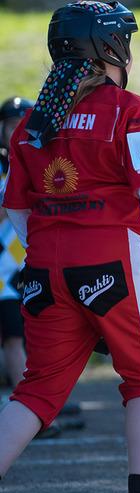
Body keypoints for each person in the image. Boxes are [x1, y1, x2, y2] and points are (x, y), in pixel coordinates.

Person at [0, 1, 140, 493]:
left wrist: (47, 246)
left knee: (36, 391)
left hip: (43, 263)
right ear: (110, 50)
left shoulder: (31, 124)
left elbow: (15, 206)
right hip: (111, 256)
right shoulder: (130, 110)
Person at [0, 97, 32, 390]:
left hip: (25, 272)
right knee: (12, 337)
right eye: (11, 126)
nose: (16, 132)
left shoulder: (37, 162)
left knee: (24, 337)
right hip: (3, 277)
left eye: (23, 126)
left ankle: (29, 403)